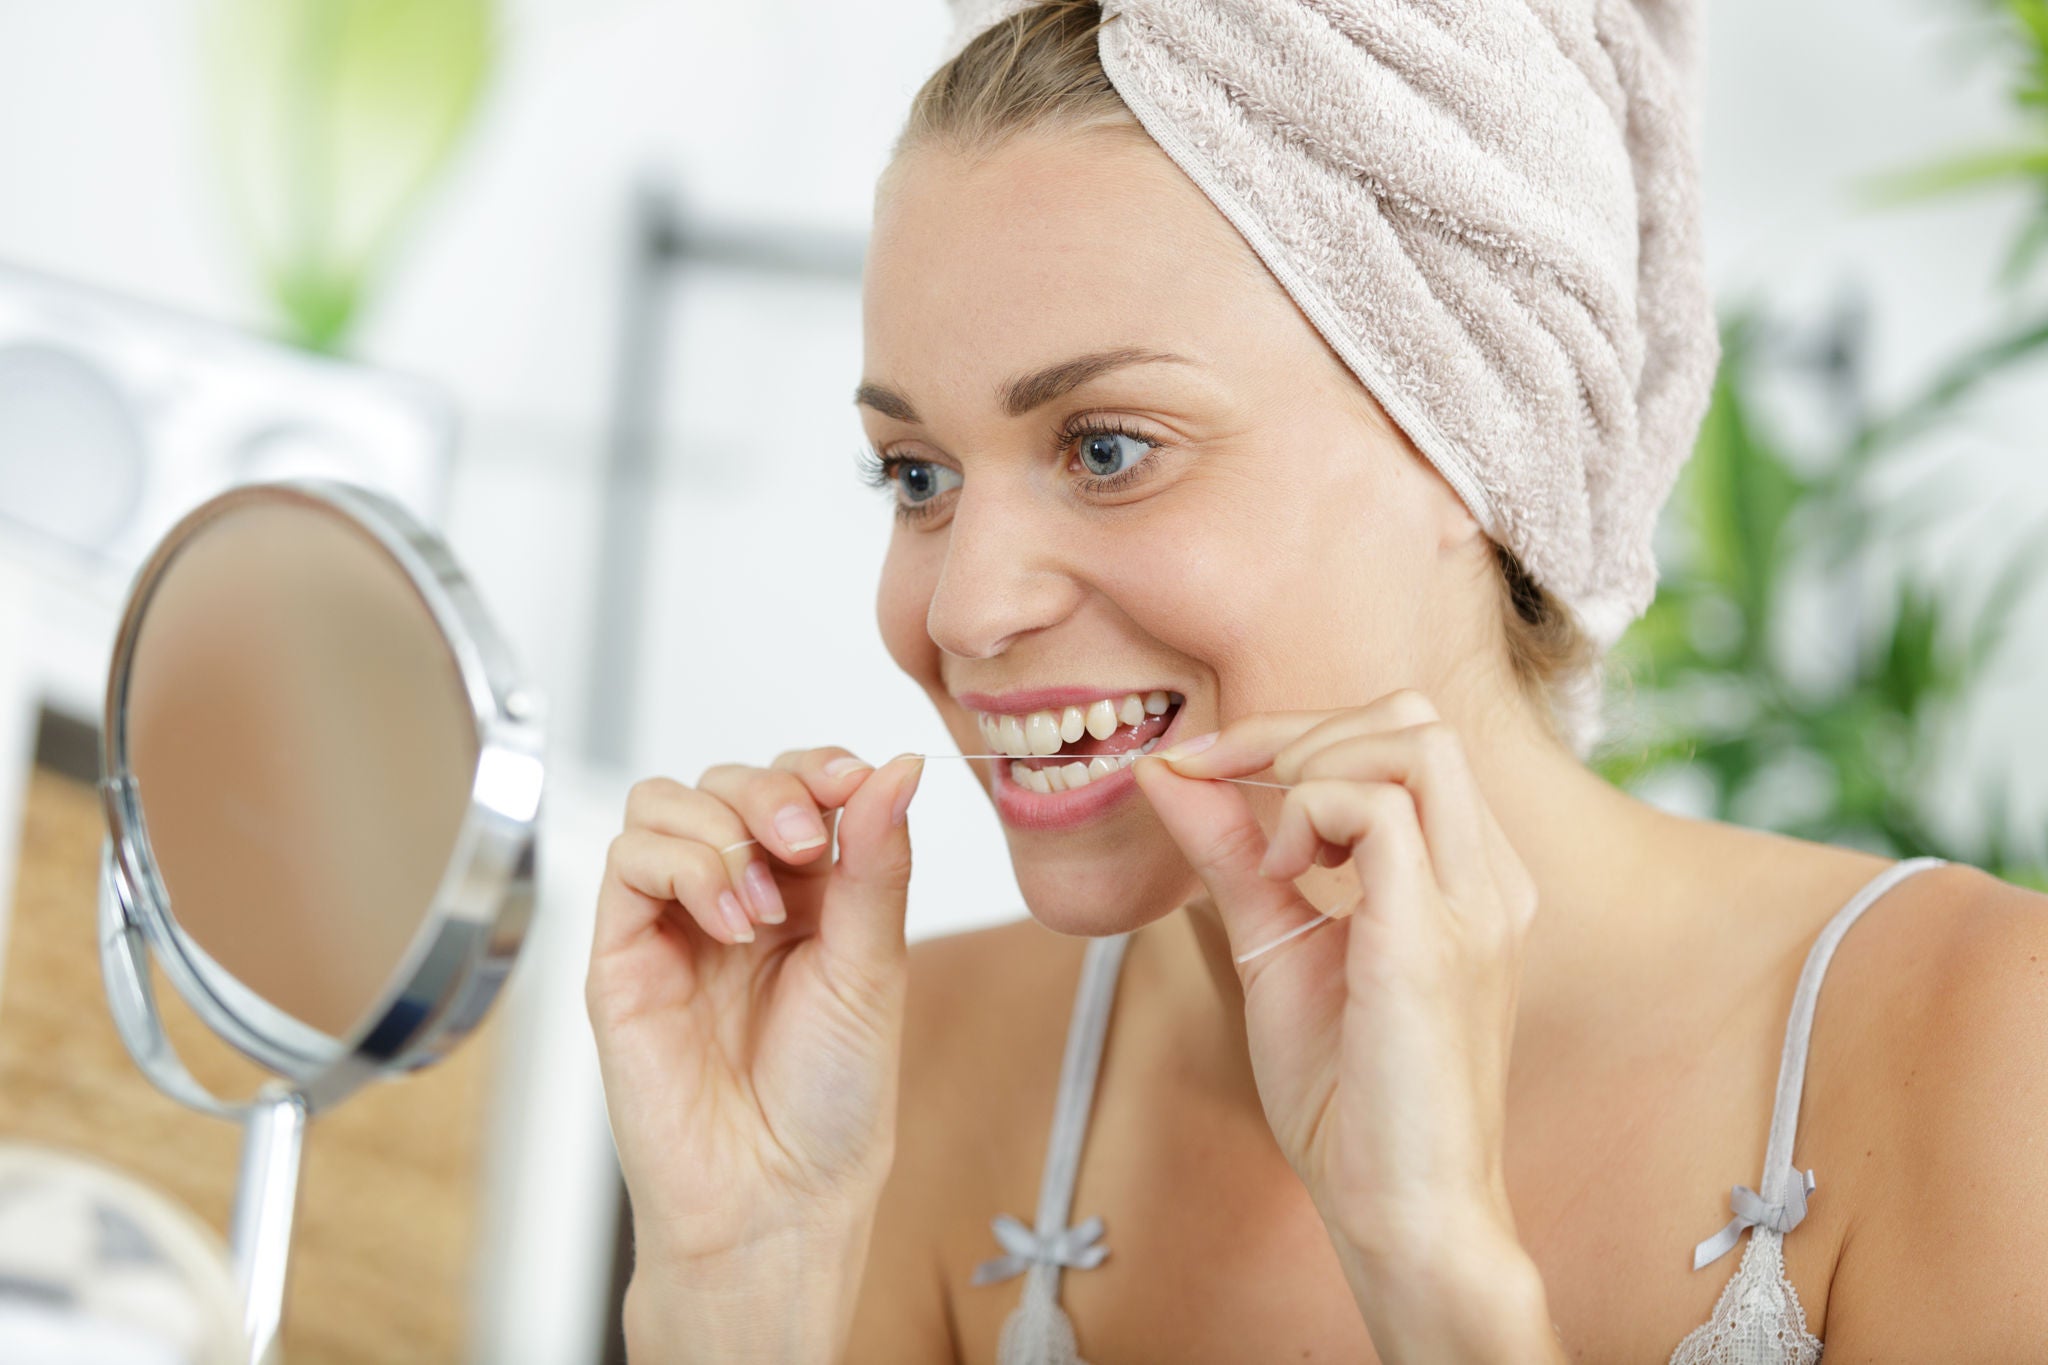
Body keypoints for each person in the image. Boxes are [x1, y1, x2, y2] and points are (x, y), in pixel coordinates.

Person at [585, 3, 2048, 1361]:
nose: (962, 606)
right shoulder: (901, 1080)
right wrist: (742, 1282)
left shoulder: (1977, 1056)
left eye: (1108, 448)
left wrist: (1434, 1268)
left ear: (1472, 442)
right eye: (917, 474)